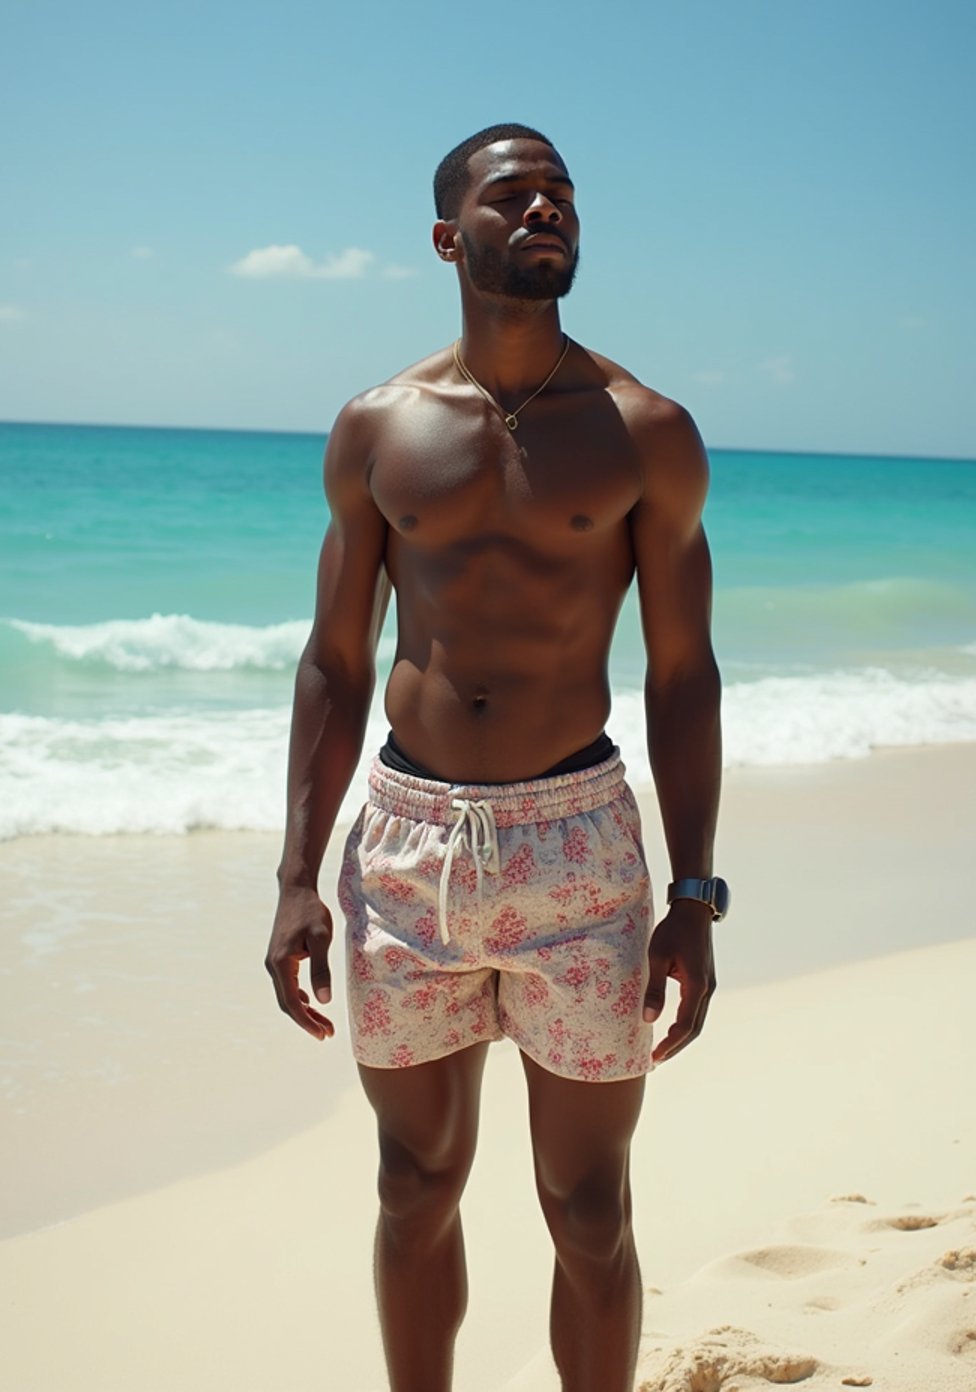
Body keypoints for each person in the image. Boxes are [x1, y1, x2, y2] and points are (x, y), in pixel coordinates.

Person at [265, 122, 726, 1392]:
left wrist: (694, 892)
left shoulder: (645, 429)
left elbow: (682, 675)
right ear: (445, 234)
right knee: (413, 1184)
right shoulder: (377, 428)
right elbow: (335, 662)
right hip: (405, 846)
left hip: (577, 840)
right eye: (511, 195)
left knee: (588, 1209)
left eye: (561, 195)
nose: (543, 212)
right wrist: (298, 873)